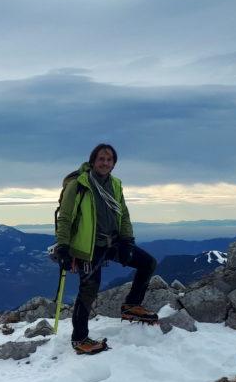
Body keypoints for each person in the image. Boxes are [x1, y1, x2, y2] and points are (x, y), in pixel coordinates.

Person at [54, 143, 158, 354]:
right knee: (89, 291)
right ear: (93, 161)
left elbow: (124, 214)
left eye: (109, 159)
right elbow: (65, 218)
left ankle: (131, 306)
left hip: (113, 242)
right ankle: (79, 339)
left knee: (148, 263)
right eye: (101, 159)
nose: (105, 162)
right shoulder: (79, 185)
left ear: (114, 164)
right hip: (87, 248)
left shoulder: (116, 185)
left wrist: (128, 241)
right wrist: (63, 247)